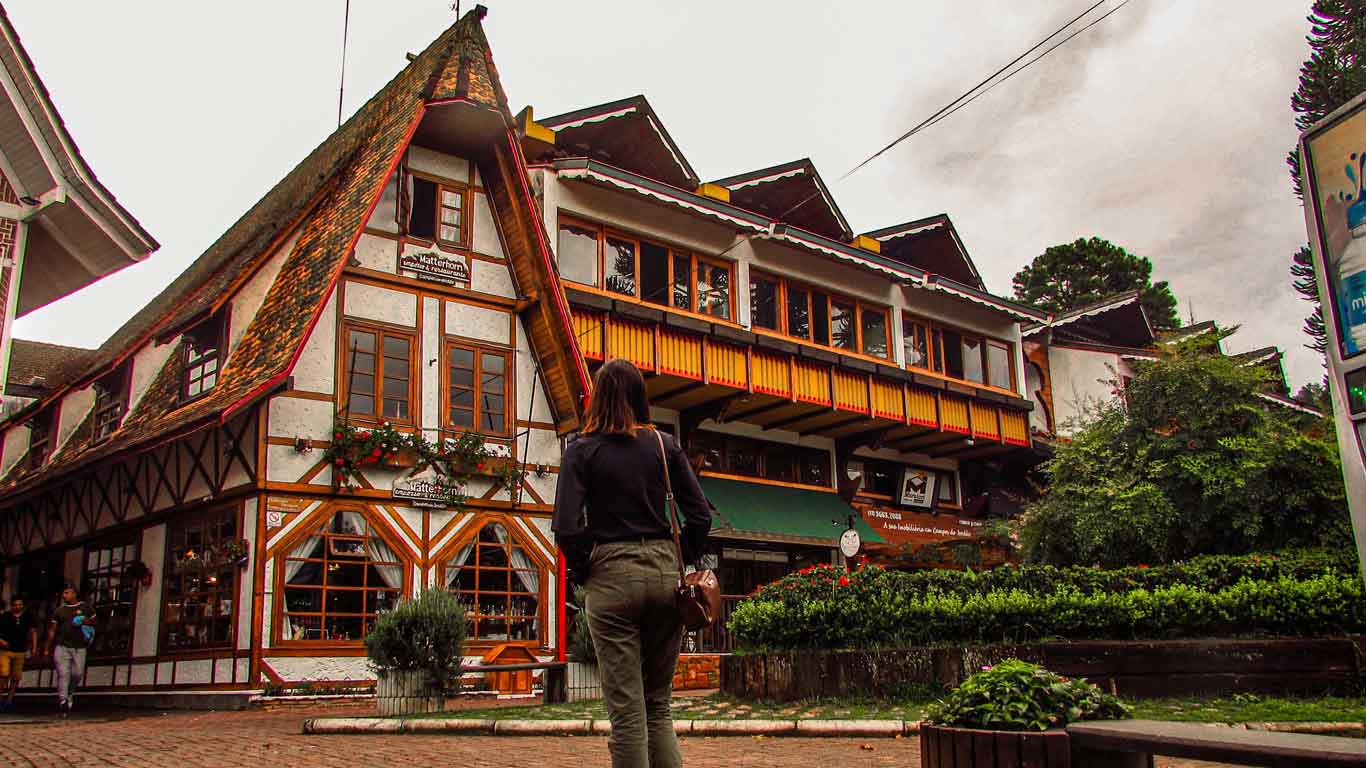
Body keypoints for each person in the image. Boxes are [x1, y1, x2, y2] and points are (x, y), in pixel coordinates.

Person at [553, 359, 711, 768]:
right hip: (663, 572)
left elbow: (566, 528)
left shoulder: (581, 451)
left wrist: (587, 570)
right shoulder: (664, 445)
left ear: (597, 398)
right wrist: (681, 558)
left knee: (627, 714)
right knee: (658, 706)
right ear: (641, 397)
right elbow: (701, 516)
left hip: (611, 576)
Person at [46, 585, 93, 715]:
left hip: (79, 647)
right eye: (63, 593)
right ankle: (63, 700)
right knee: (63, 673)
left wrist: (85, 620)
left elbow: (95, 623)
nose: (64, 595)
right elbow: (52, 630)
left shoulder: (85, 607)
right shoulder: (59, 611)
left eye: (67, 593)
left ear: (74, 594)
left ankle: (70, 692)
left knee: (77, 673)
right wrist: (47, 647)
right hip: (62, 646)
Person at [0, 595, 37, 712]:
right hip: (5, 650)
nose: (18, 607)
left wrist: (34, 647)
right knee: (3, 674)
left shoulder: (28, 617)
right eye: (15, 605)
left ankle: (9, 700)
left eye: (20, 605)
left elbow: (33, 632)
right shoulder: (5, 616)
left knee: (16, 677)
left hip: (20, 650)